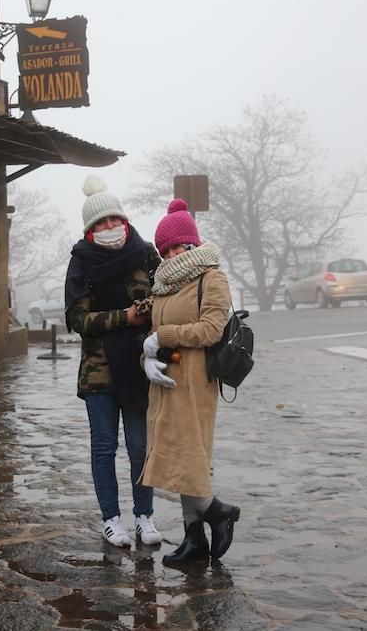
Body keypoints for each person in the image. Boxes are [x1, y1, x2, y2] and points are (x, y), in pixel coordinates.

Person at [139, 198, 242, 566]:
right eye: (164, 250)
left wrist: (162, 337)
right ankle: (194, 538)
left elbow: (211, 329)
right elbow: (153, 335)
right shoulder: (163, 284)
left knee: (191, 458)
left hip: (195, 384)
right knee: (179, 459)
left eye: (176, 247)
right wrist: (147, 359)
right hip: (165, 384)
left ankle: (218, 512)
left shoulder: (211, 277)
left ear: (192, 243)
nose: (170, 255)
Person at [64, 175, 163, 548]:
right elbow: (77, 319)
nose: (109, 226)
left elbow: (167, 295)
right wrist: (125, 317)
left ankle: (144, 516)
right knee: (104, 448)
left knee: (140, 446)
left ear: (124, 219)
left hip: (139, 366)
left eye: (114, 219)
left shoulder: (145, 253)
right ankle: (111, 519)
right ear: (90, 230)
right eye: (101, 222)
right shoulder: (81, 263)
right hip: (99, 372)